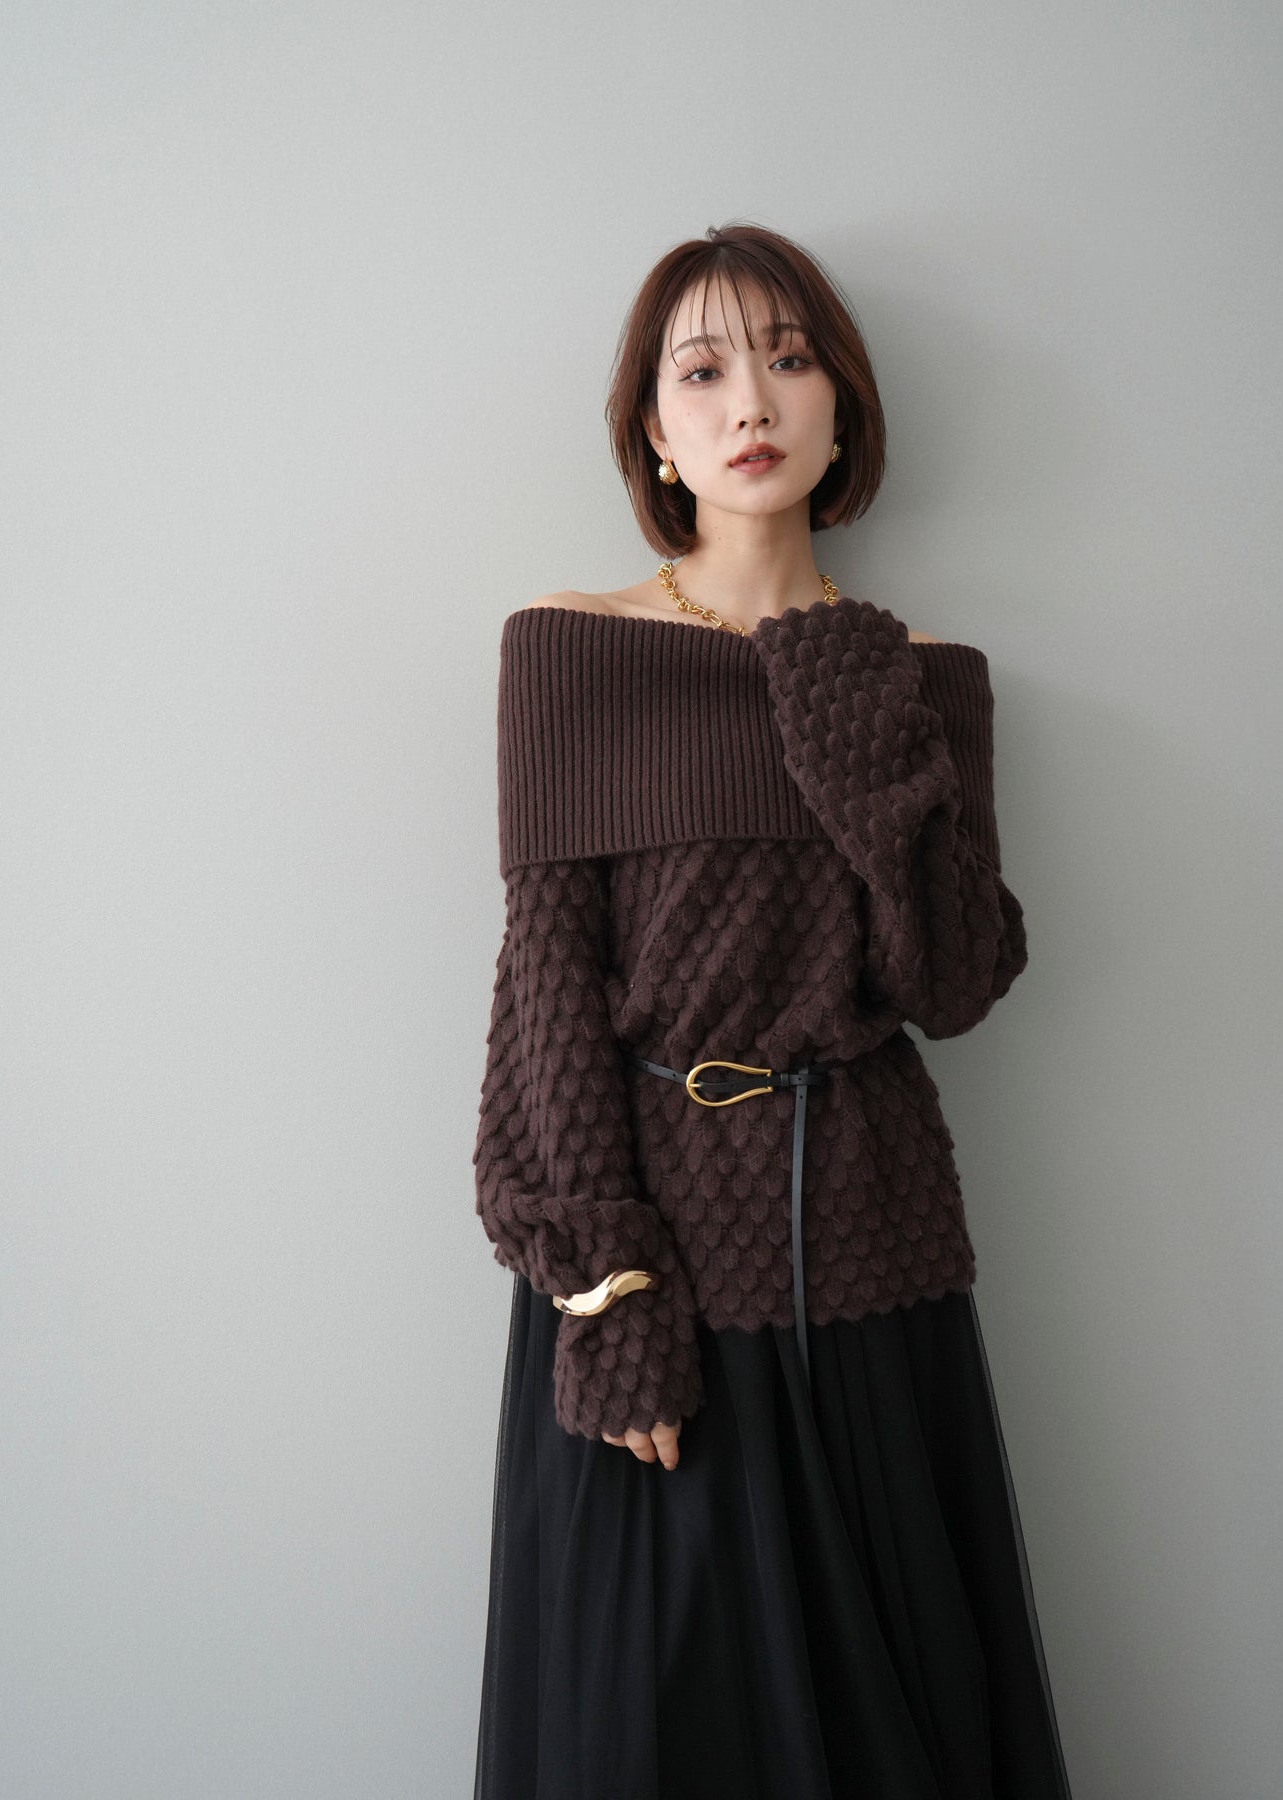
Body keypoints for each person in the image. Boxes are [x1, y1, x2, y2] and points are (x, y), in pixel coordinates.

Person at [470, 220, 1073, 1800]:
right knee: (653, 1725)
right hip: (652, 1257)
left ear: (842, 408)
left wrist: (848, 713)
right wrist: (603, 1298)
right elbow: (544, 991)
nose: (751, 399)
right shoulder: (572, 652)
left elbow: (951, 983)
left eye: (790, 360)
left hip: (870, 1234)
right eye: (703, 370)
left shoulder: (917, 676)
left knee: (896, 1713)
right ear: (653, 433)